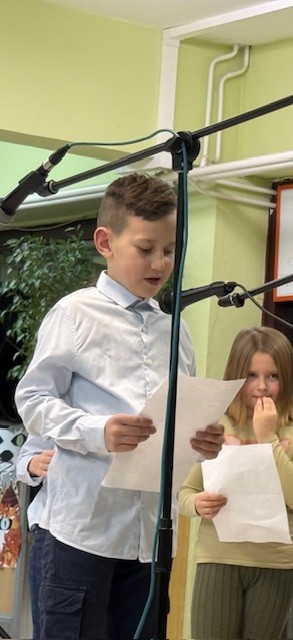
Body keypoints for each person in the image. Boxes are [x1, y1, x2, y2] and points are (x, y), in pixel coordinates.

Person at [14, 172, 225, 640]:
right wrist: (98, 431)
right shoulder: (74, 314)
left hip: (150, 539)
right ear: (105, 242)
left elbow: (177, 422)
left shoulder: (177, 332)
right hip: (79, 531)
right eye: (145, 249)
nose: (160, 263)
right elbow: (32, 398)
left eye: (169, 250)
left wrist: (202, 442)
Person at [178, 327, 293, 640]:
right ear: (236, 376)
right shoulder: (213, 426)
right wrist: (198, 504)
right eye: (252, 375)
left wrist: (267, 436)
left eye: (273, 376)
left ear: (287, 379)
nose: (262, 386)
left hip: (276, 563)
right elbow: (185, 493)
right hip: (218, 558)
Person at [15, 435, 54, 640]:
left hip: (131, 541)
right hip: (54, 532)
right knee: (50, 628)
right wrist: (34, 463)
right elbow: (24, 463)